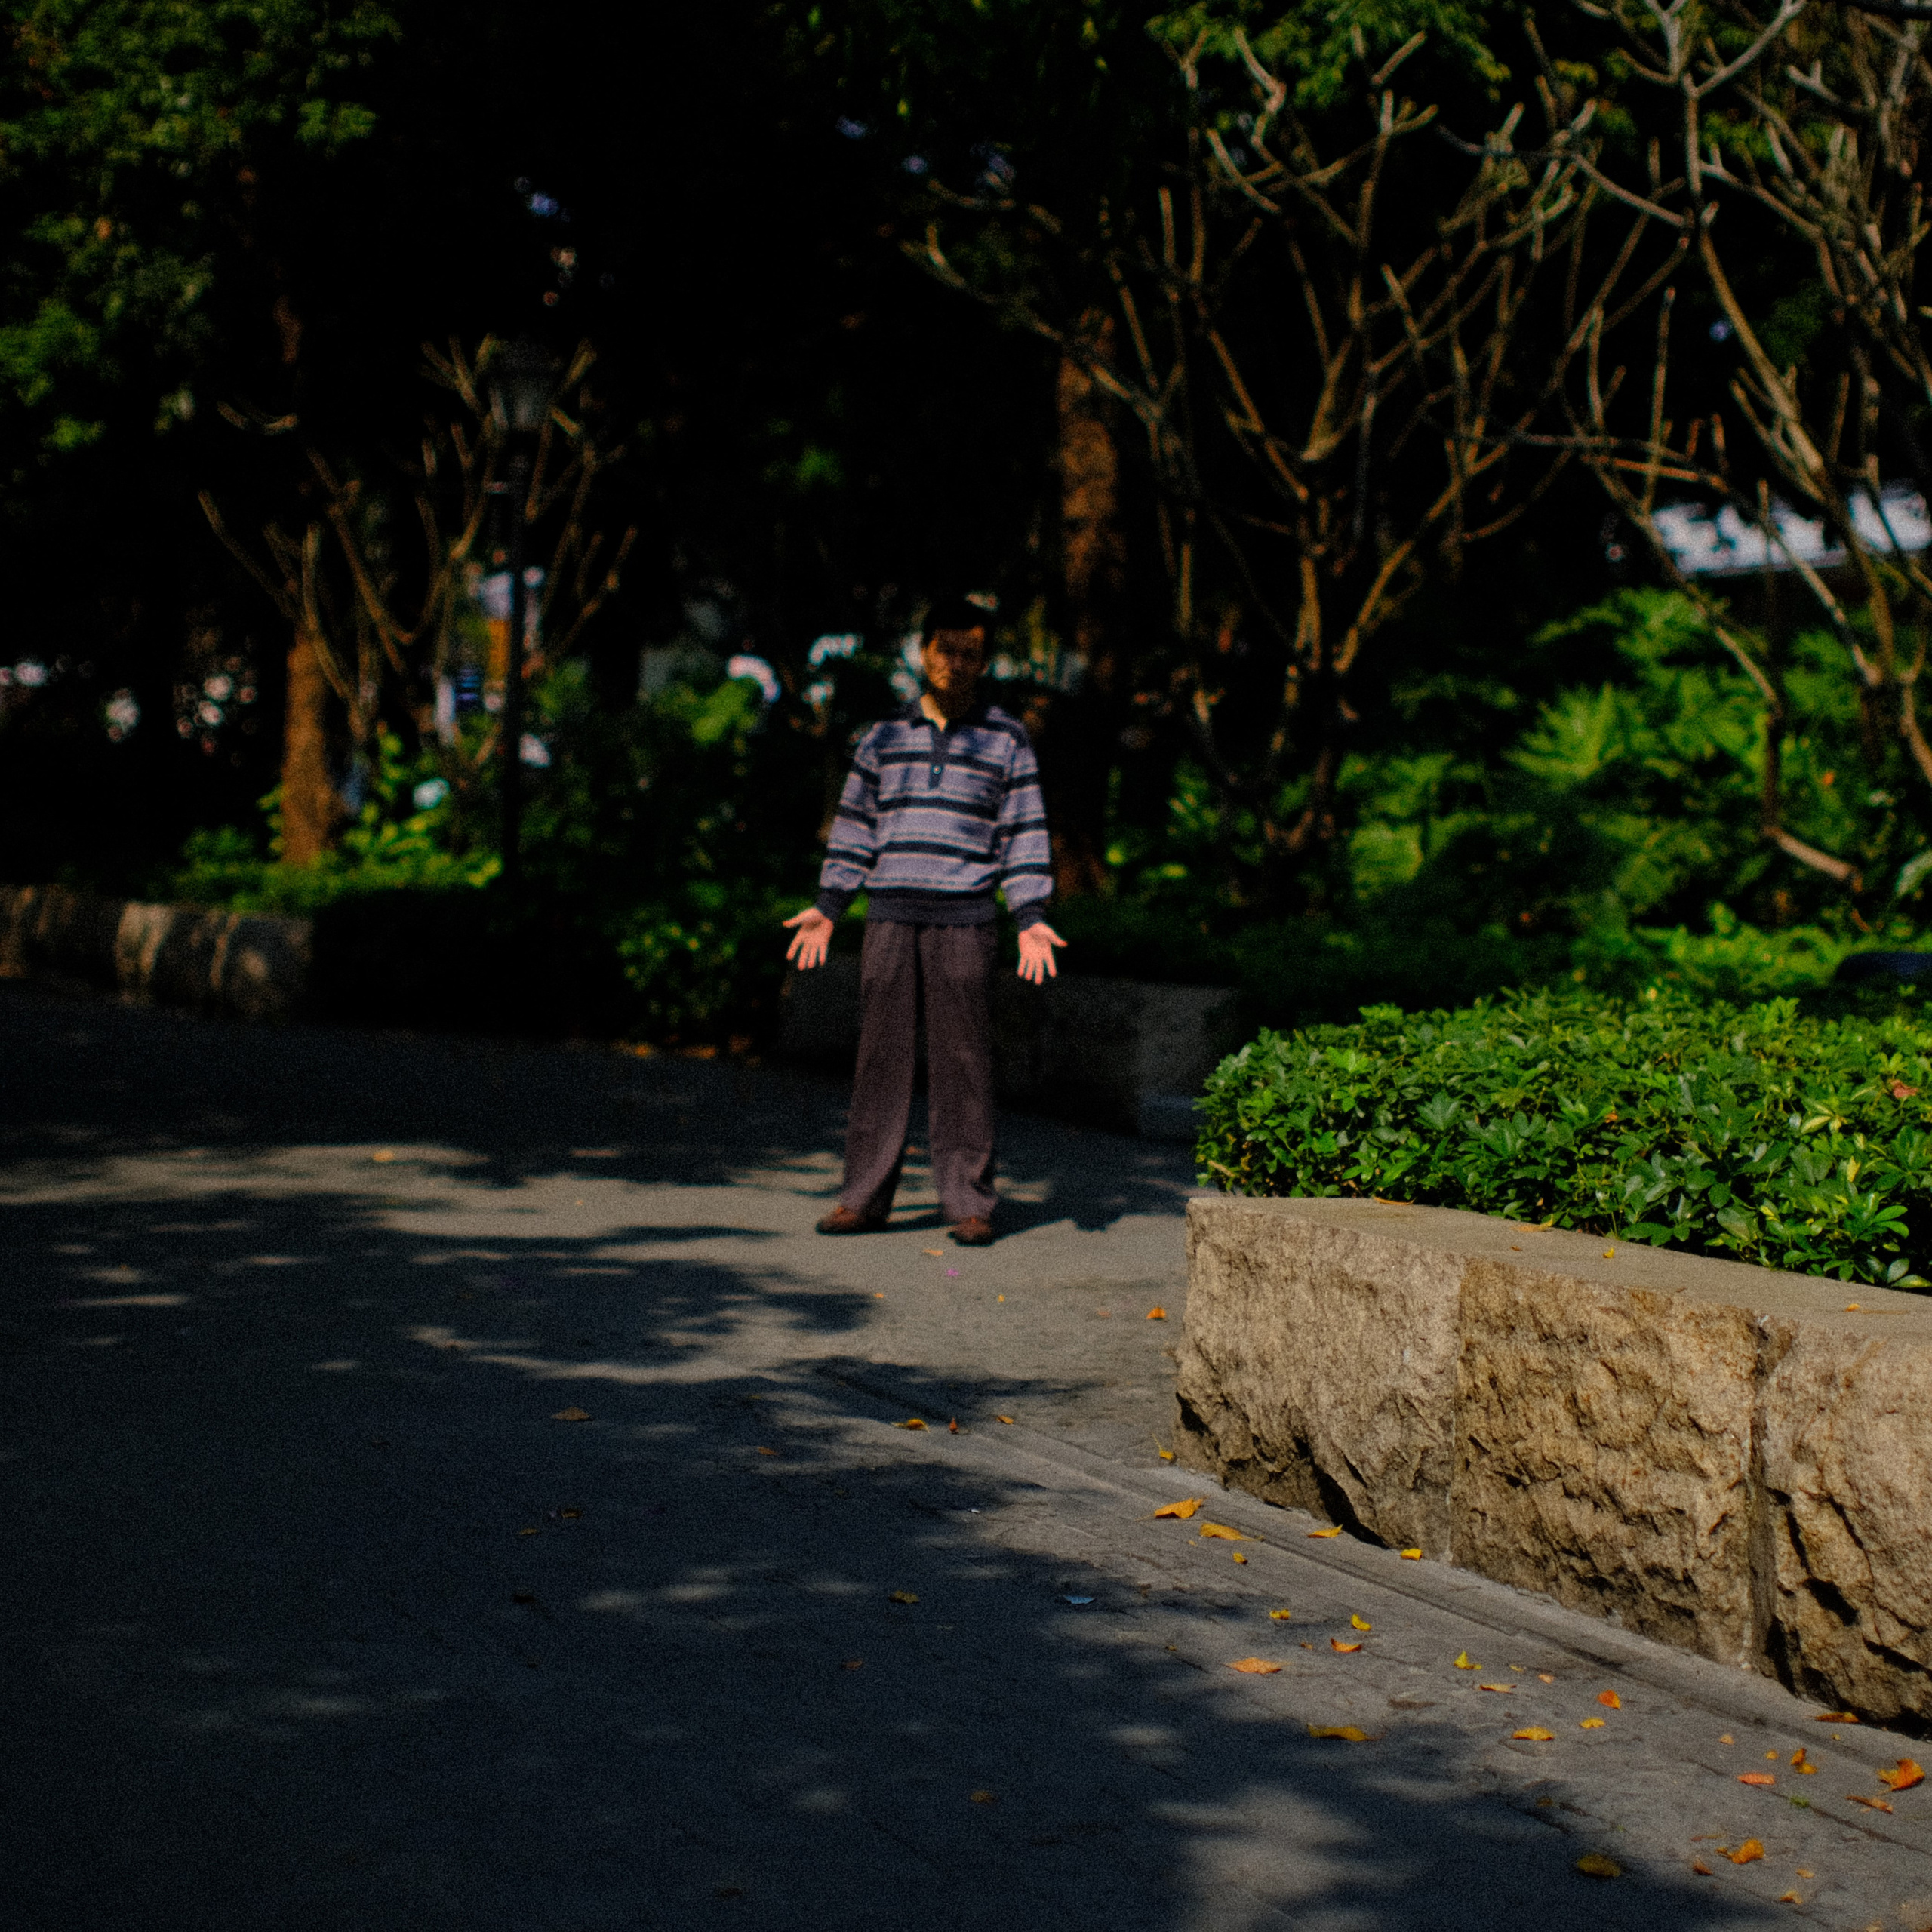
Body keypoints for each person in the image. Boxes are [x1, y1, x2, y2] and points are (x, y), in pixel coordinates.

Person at [782, 596, 1066, 1245]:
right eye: (945, 649)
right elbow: (855, 828)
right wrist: (830, 907)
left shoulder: (1007, 740)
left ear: (984, 659)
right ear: (923, 652)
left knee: (963, 1061)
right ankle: (862, 1198)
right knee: (879, 1059)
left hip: (965, 919)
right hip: (890, 917)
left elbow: (1022, 832)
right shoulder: (882, 738)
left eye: (970, 652)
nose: (955, 663)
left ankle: (969, 1202)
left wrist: (1029, 915)